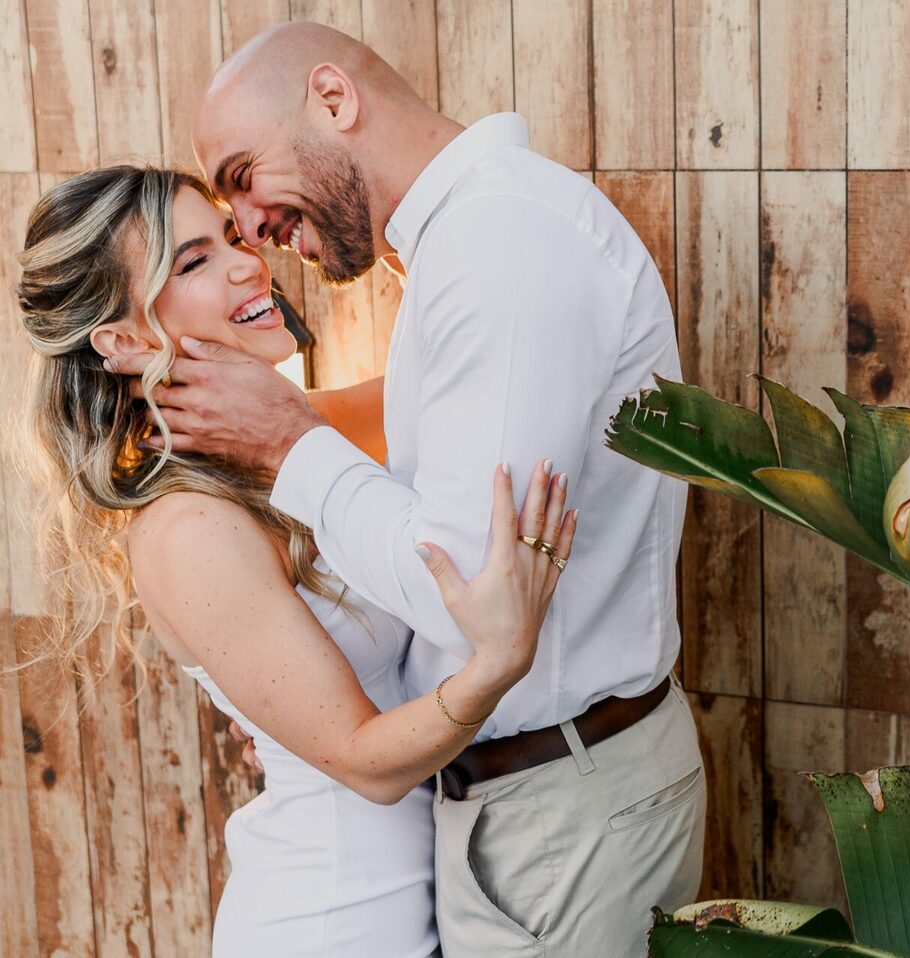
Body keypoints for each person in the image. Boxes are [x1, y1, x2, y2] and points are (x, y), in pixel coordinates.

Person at [106, 20, 706, 956]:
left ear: (334, 101)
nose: (253, 242)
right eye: (200, 252)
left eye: (240, 187)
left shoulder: (498, 243)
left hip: (554, 808)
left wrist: (290, 435)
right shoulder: (471, 249)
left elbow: (458, 587)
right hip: (449, 846)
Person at [16, 164, 577, 957]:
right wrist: (499, 661)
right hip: (337, 919)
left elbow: (454, 382)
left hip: (448, 886)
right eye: (194, 261)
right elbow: (364, 764)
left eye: (232, 237)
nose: (249, 262)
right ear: (124, 340)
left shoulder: (285, 435)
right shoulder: (189, 526)